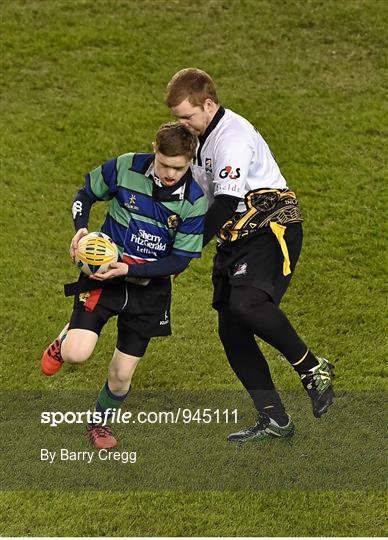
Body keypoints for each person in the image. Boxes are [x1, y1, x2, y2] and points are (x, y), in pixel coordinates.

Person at [165, 68, 334, 443]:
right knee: (231, 330)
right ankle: (274, 418)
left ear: (208, 104)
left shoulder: (233, 137)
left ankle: (312, 367)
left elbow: (225, 202)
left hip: (271, 229)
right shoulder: (199, 138)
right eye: (177, 117)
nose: (182, 124)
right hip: (235, 238)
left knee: (248, 303)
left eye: (187, 116)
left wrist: (185, 253)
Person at [41, 122, 207, 449]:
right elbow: (85, 193)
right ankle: (66, 338)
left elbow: (179, 261)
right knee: (76, 354)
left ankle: (99, 422)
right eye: (164, 164)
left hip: (149, 292)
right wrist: (81, 228)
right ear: (154, 150)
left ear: (190, 159)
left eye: (179, 167)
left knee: (121, 377)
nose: (170, 173)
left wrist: (127, 268)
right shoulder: (126, 166)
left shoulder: (194, 200)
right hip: (102, 278)